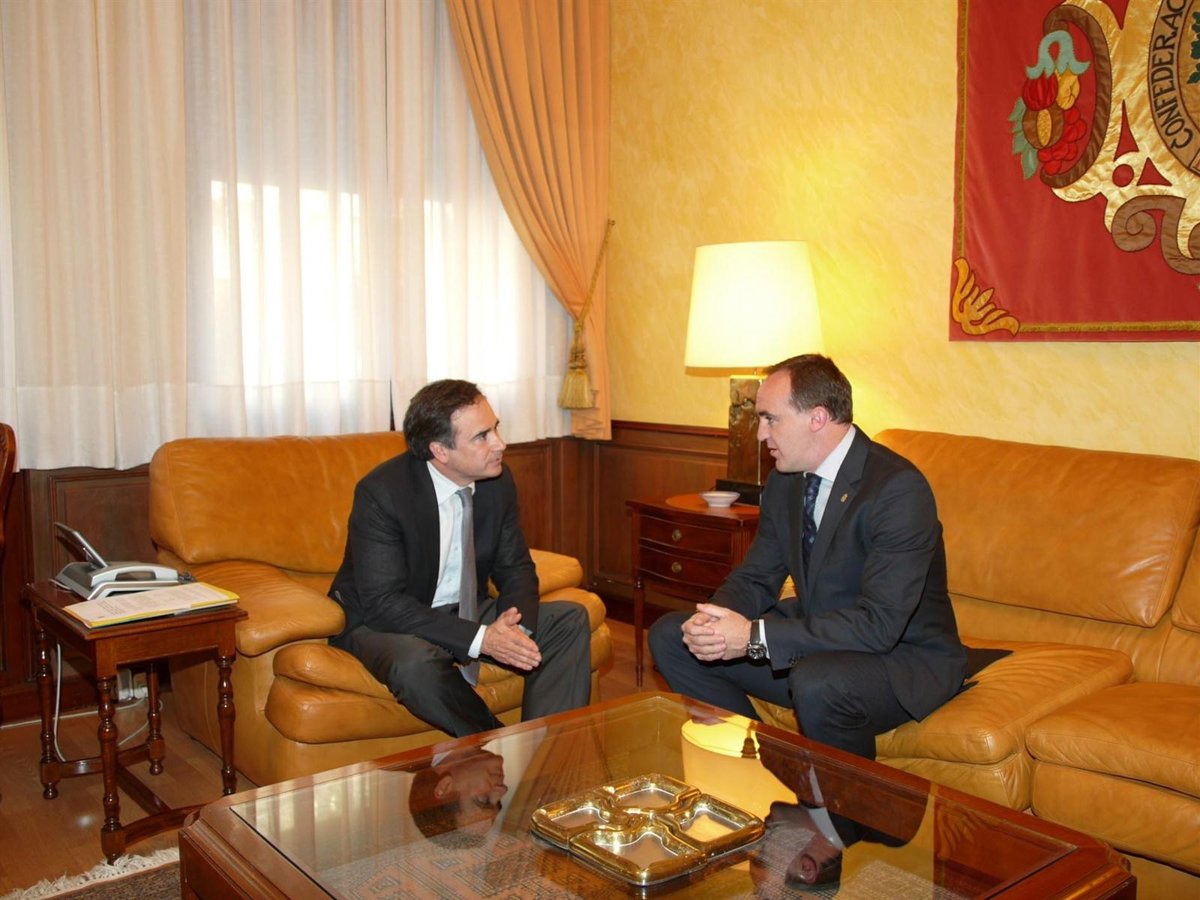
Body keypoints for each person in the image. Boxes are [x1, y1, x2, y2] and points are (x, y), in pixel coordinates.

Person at [650, 354, 968, 763]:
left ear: (817, 418)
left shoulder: (897, 489)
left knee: (817, 681)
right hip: (817, 646)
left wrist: (754, 637)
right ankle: (763, 765)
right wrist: (714, 621)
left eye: (771, 419)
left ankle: (841, 805)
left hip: (899, 658)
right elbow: (756, 577)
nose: (760, 434)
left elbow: (880, 625)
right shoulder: (786, 481)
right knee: (672, 636)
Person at [329, 379, 591, 737]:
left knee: (570, 620)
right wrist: (482, 639)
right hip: (385, 621)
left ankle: (548, 753)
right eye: (482, 436)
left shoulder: (497, 481)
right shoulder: (383, 493)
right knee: (414, 664)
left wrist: (514, 630)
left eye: (495, 428)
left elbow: (516, 567)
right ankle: (503, 746)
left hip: (464, 608)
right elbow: (383, 603)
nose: (500, 443)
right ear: (440, 450)